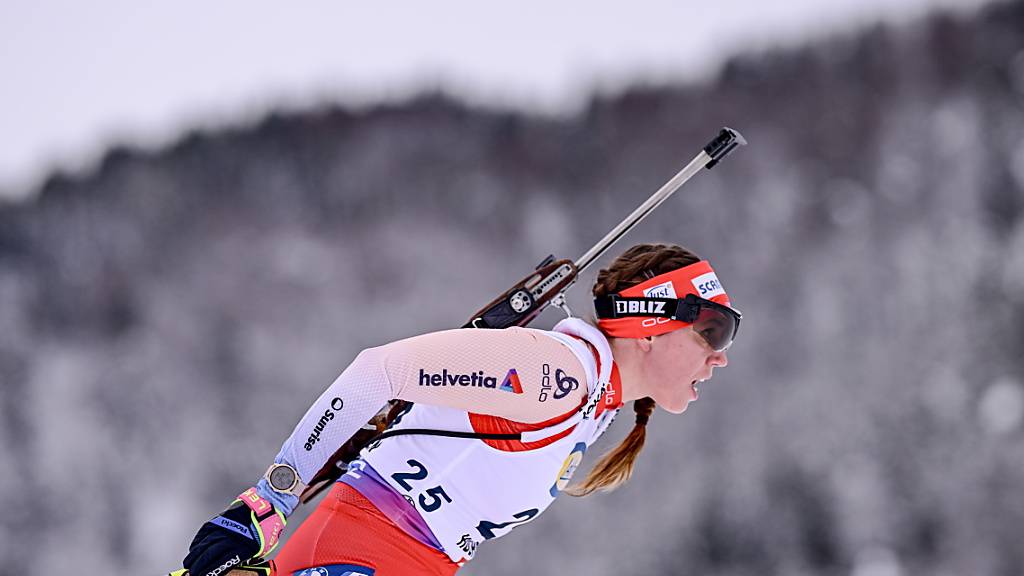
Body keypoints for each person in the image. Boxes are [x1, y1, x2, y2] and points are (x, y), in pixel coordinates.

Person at [181, 243, 740, 576]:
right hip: (359, 549)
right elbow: (378, 371)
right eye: (712, 331)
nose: (720, 357)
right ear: (650, 327)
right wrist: (270, 499)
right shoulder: (557, 375)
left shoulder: (597, 404)